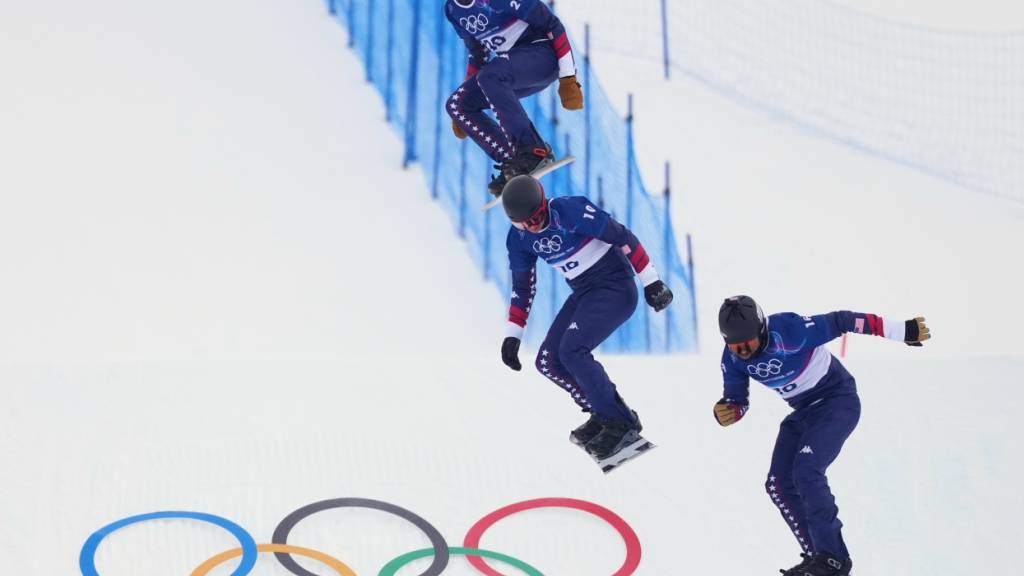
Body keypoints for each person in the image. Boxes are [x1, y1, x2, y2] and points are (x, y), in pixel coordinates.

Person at [713, 295, 931, 576]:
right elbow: (737, 400)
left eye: (747, 343)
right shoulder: (732, 359)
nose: (741, 351)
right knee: (777, 484)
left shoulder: (789, 331)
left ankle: (833, 559)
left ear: (763, 330)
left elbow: (842, 320)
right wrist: (728, 412)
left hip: (837, 401)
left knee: (806, 471)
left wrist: (901, 330)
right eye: (734, 345)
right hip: (803, 412)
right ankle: (819, 557)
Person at [496, 175, 674, 465]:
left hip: (615, 287)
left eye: (539, 217)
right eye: (525, 224)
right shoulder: (518, 239)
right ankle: (603, 413)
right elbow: (523, 288)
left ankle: (620, 422)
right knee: (547, 361)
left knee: (572, 350)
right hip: (584, 291)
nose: (534, 226)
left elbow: (623, 237)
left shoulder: (570, 211)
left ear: (545, 204)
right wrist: (512, 335)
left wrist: (652, 282)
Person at [444, 0, 583, 196]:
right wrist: (463, 110)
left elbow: (553, 25)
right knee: (458, 105)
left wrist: (568, 78)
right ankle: (514, 163)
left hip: (543, 56)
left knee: (489, 76)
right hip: (512, 69)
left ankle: (533, 151)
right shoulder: (453, 10)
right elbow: (478, 54)